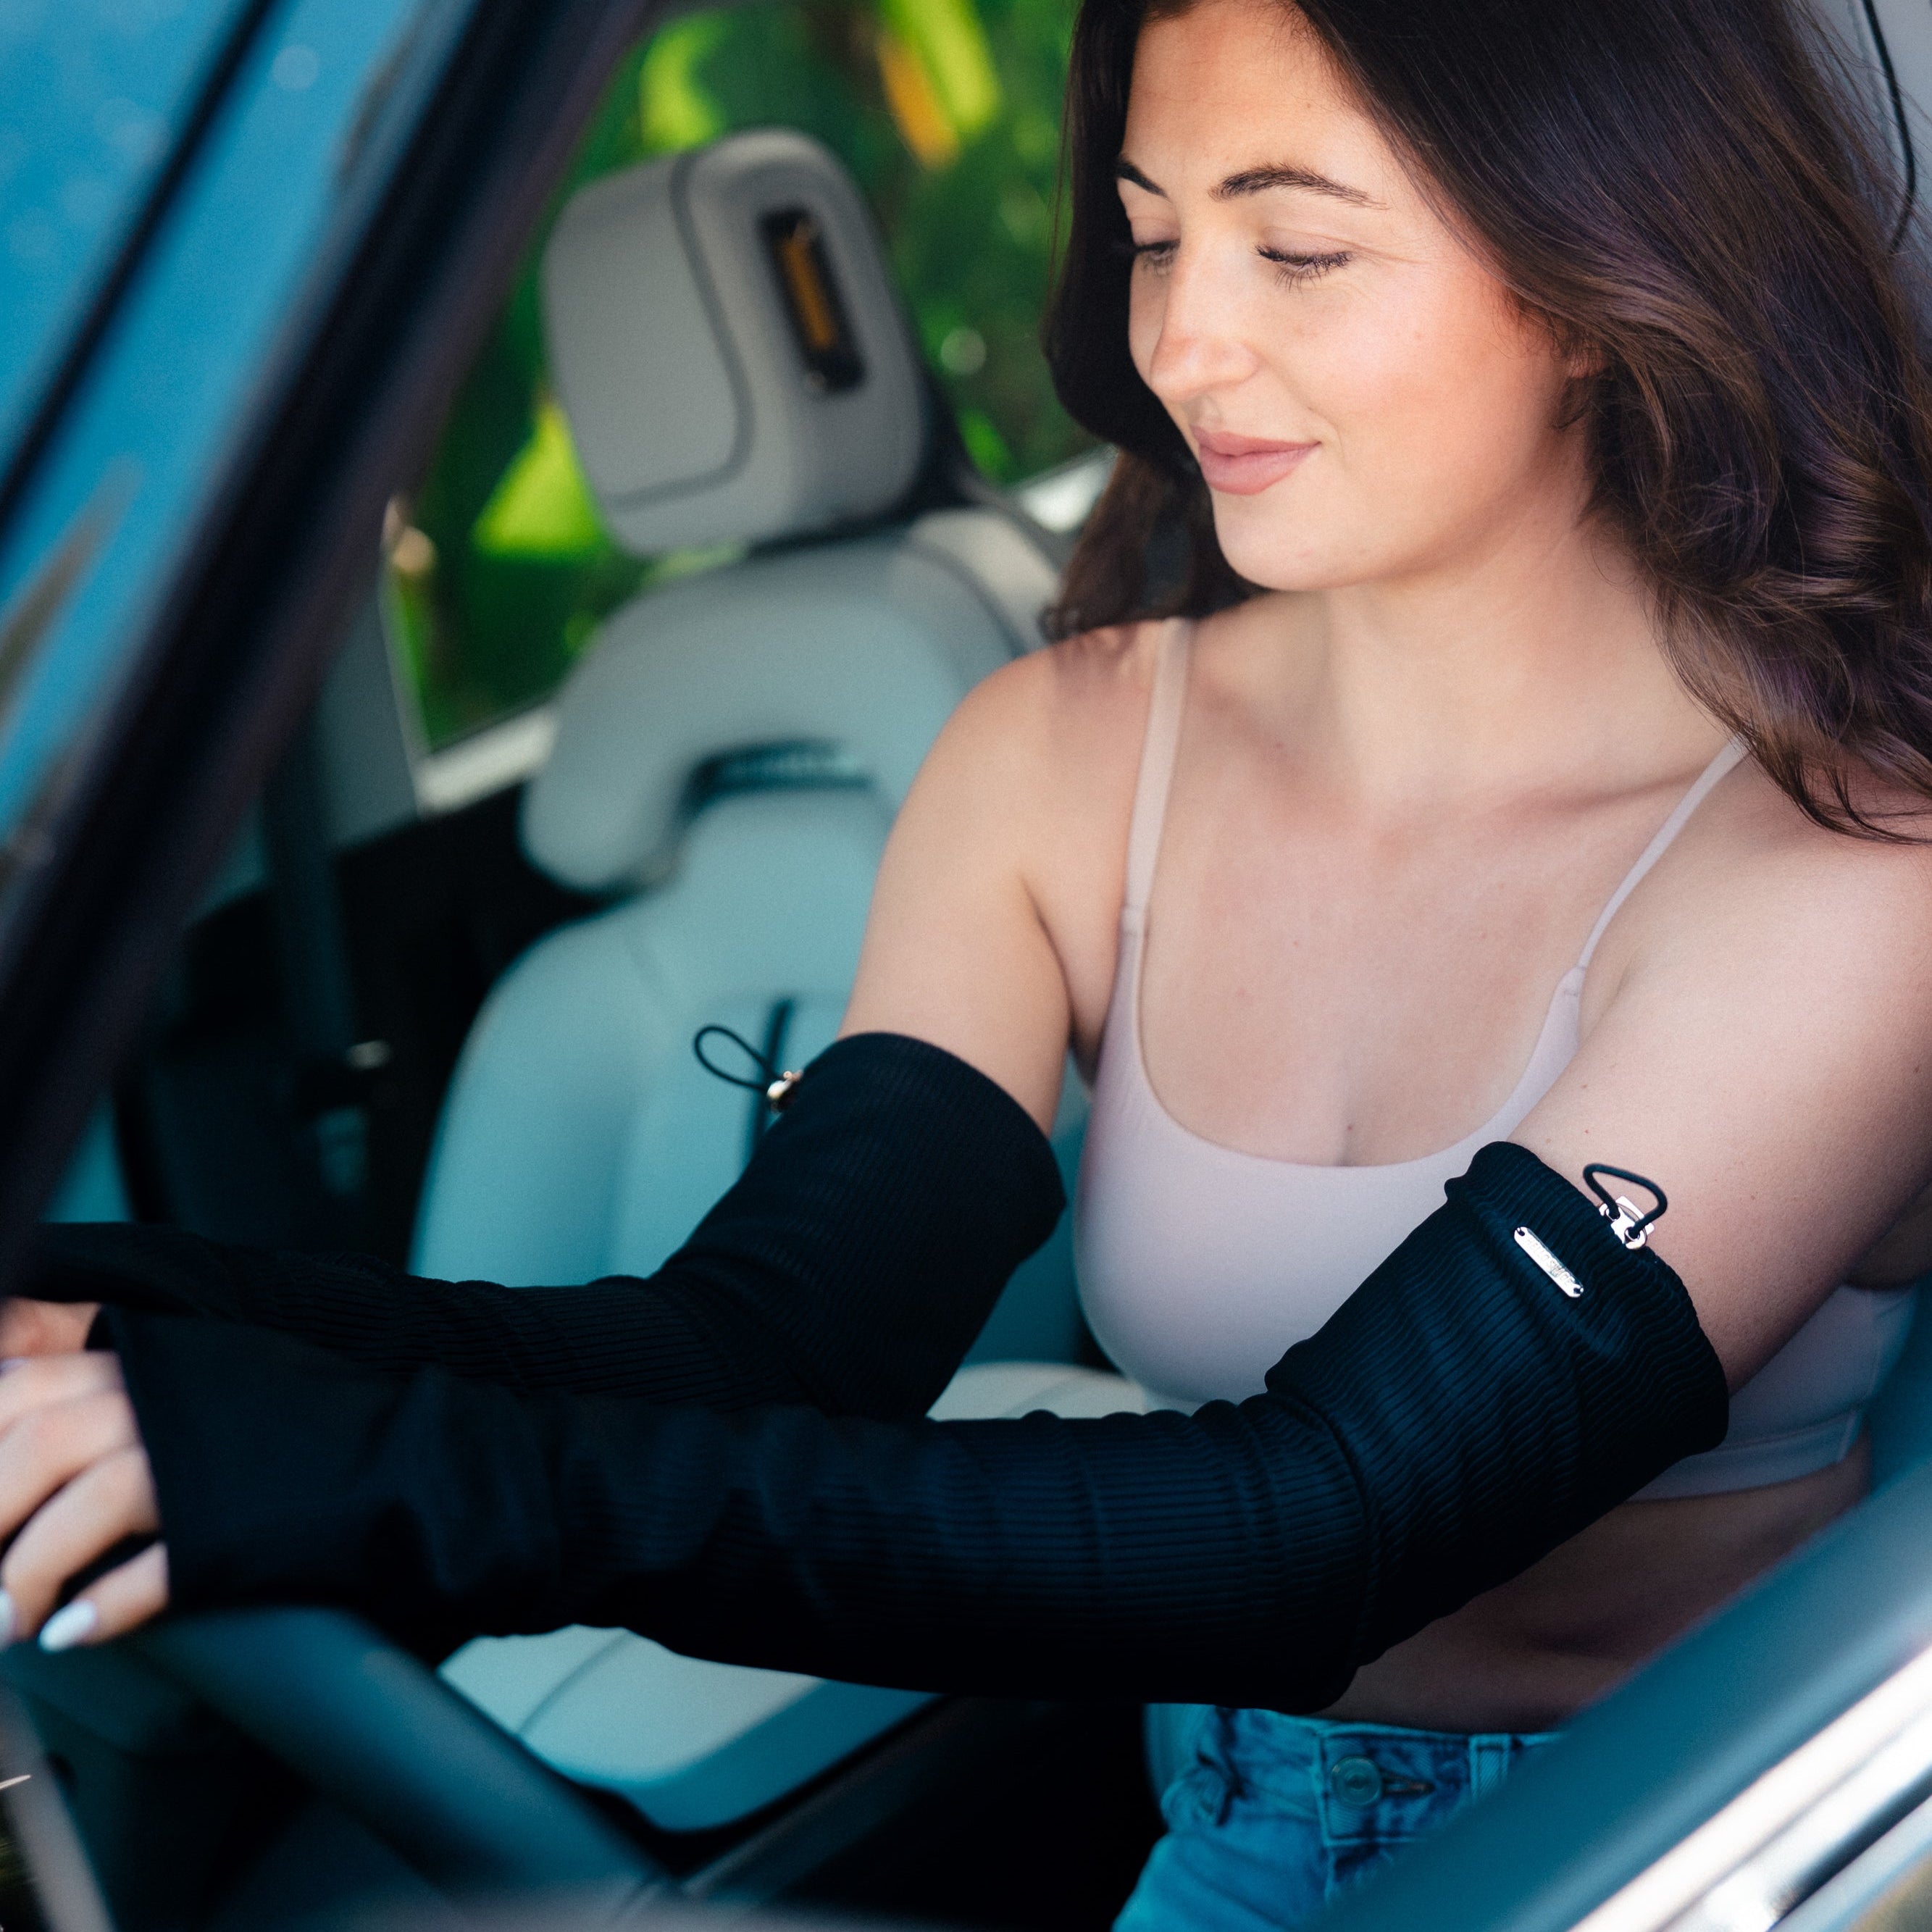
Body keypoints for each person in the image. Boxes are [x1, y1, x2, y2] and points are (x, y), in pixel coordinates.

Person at [11, 0, 1932, 1923]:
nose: (1177, 338)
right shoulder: (1066, 754)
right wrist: (117, 1318)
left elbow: (1315, 1527)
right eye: (1151, 228)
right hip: (1242, 1825)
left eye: (1297, 243)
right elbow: (766, 1347)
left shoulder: (1844, 869)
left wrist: (343, 1473)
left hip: (1712, 1835)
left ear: (1597, 272)